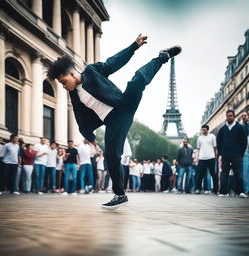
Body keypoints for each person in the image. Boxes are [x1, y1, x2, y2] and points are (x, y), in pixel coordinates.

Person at [47, 34, 182, 209]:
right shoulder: (74, 94)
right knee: (111, 156)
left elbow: (113, 62)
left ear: (72, 73)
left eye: (64, 82)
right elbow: (80, 118)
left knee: (137, 80)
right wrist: (90, 137)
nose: (64, 86)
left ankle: (162, 57)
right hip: (112, 121)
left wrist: (134, 46)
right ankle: (120, 195)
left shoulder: (92, 71)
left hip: (123, 105)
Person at [217, 110, 247, 197]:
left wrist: (240, 153)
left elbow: (244, 142)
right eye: (228, 116)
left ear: (234, 116)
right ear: (226, 117)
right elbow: (219, 142)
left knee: (239, 174)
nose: (229, 117)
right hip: (225, 155)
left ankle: (240, 192)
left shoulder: (240, 128)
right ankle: (223, 192)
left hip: (237, 155)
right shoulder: (222, 129)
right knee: (224, 174)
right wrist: (221, 153)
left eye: (231, 116)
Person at [195, 125, 218, 194]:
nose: (203, 131)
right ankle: (198, 188)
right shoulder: (199, 138)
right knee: (200, 174)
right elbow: (198, 149)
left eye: (204, 130)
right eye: (202, 130)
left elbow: (215, 147)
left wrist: (215, 155)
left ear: (208, 130)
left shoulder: (212, 136)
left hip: (211, 157)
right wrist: (197, 158)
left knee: (213, 174)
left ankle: (215, 189)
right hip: (202, 158)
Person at [240, 111, 249, 195]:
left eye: (245, 115)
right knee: (245, 172)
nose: (243, 117)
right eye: (242, 116)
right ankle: (246, 190)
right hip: (245, 151)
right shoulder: (241, 127)